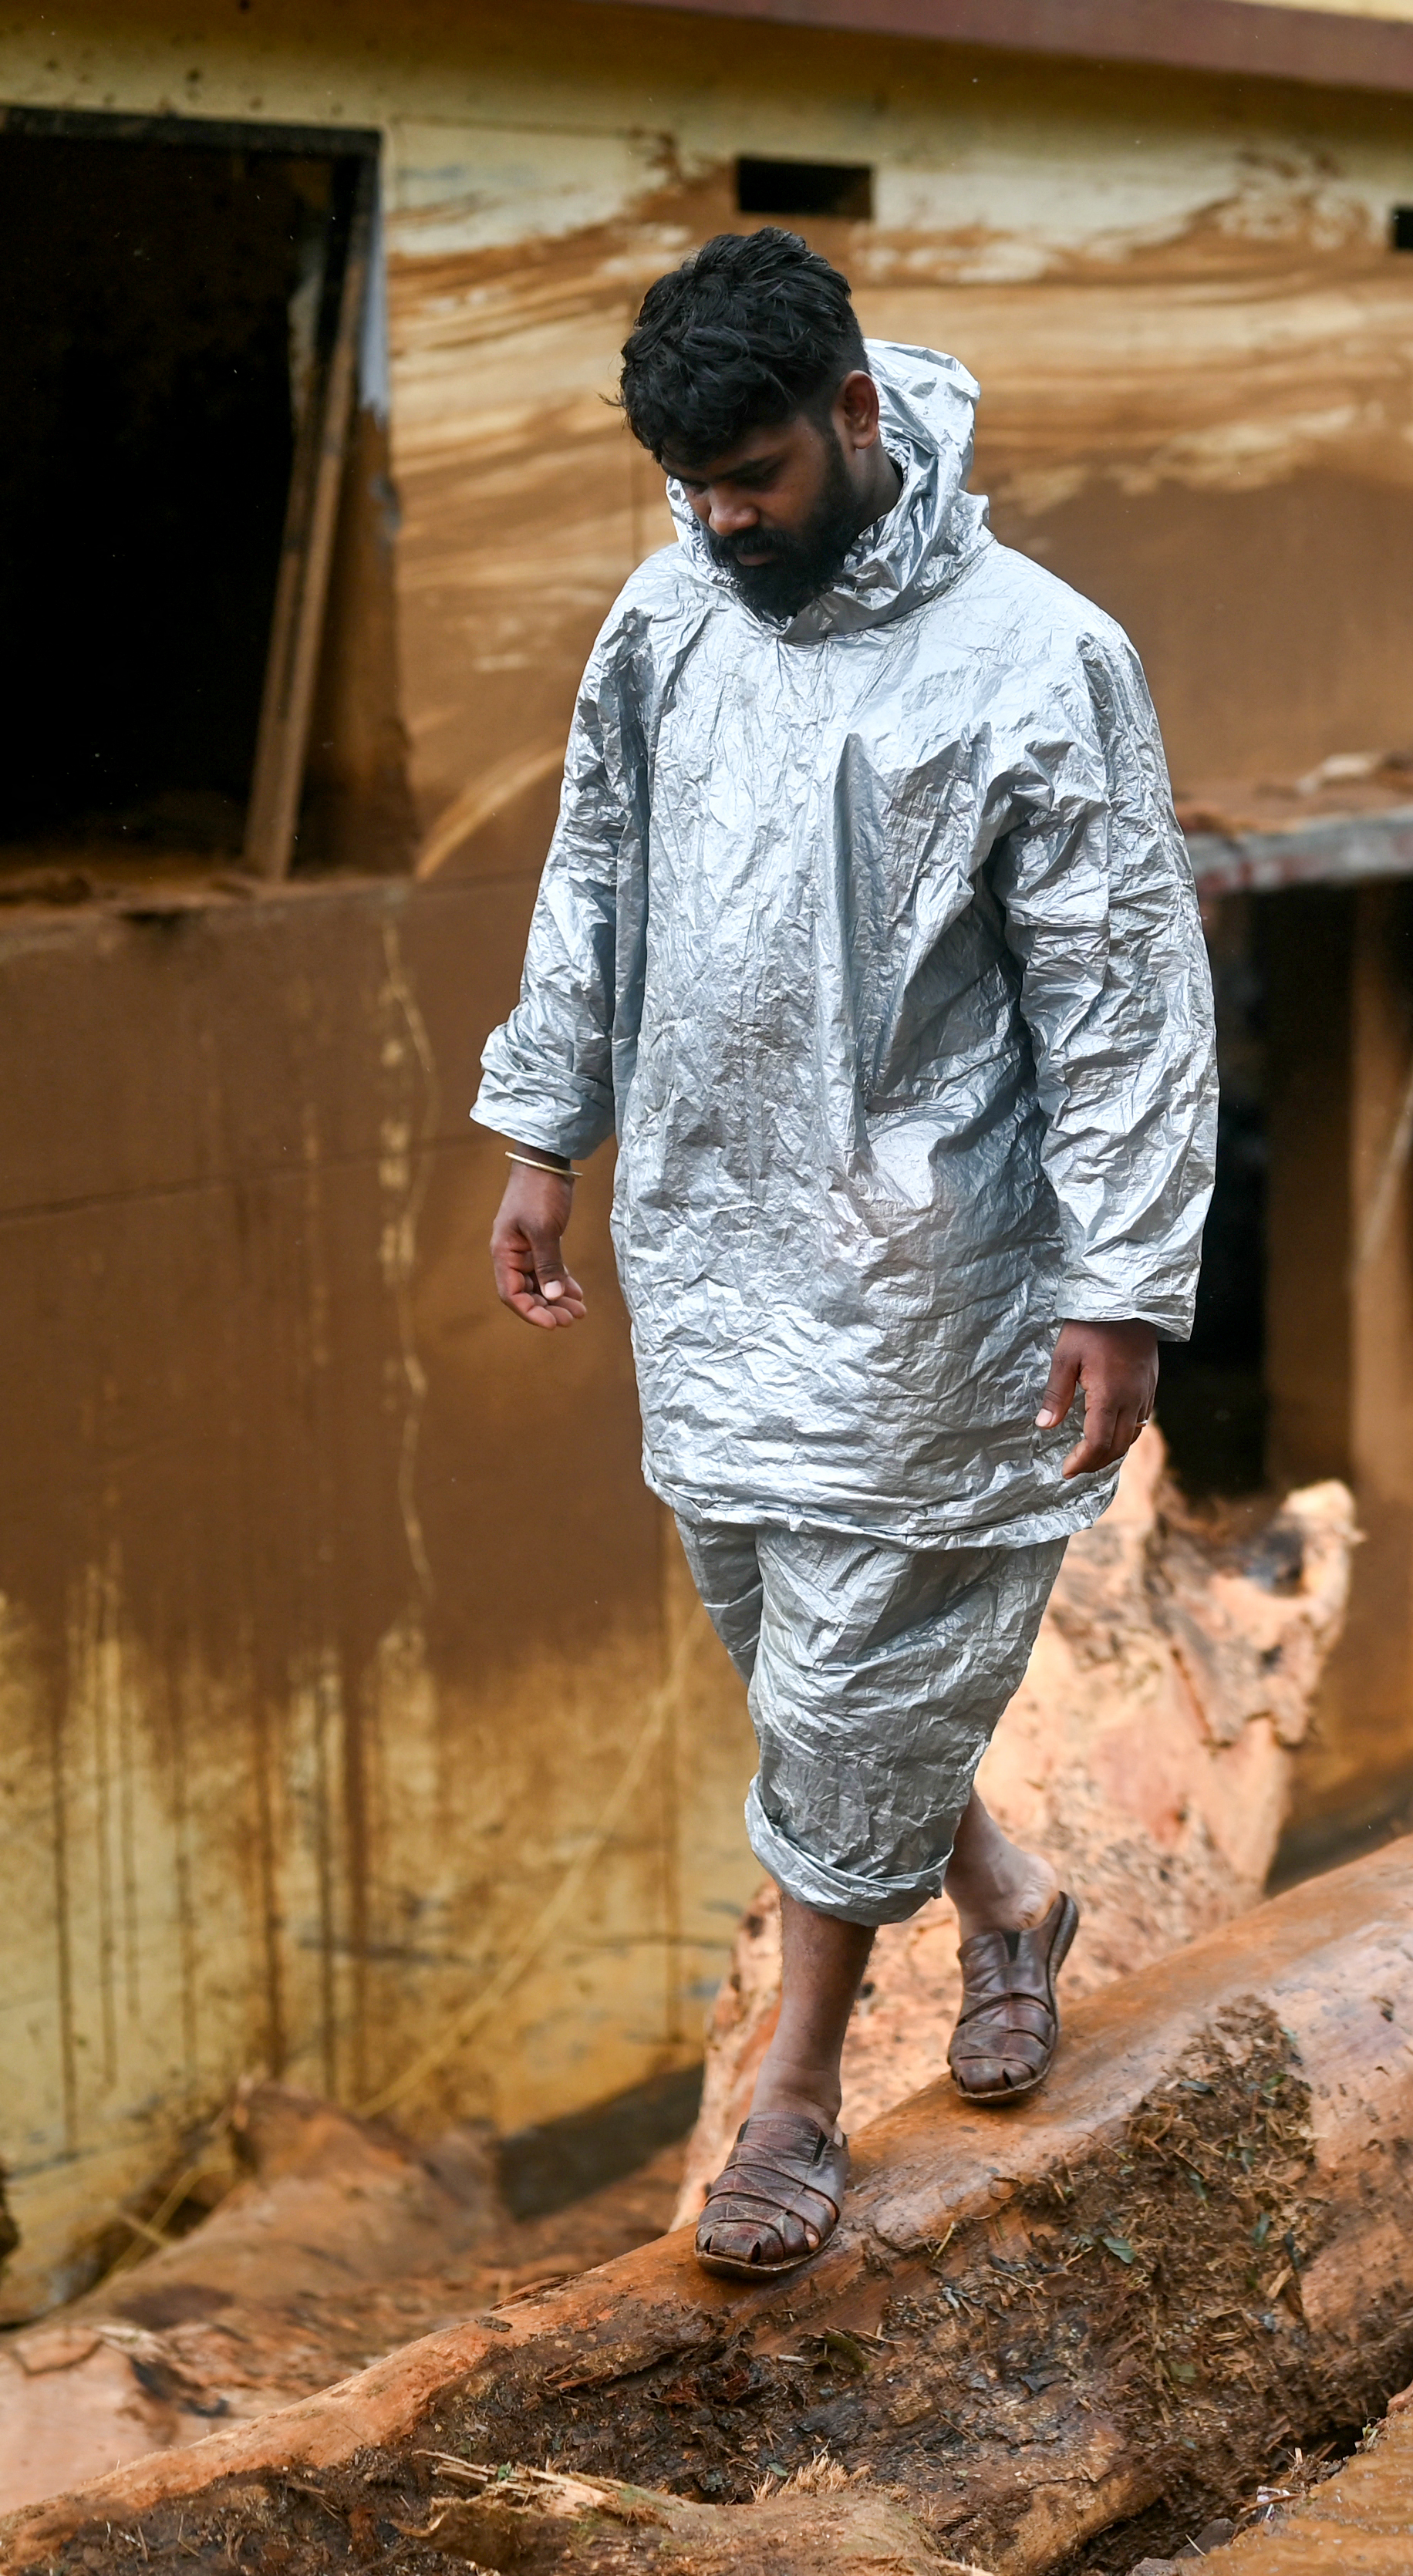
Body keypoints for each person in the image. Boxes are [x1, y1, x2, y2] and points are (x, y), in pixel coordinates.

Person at [473, 229, 1213, 2278]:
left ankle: (796, 2092)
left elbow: (1123, 1001)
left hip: (935, 1270)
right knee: (795, 1649)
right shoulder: (671, 607)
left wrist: (1121, 1279)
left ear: (855, 417)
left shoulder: (1039, 656)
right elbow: (596, 859)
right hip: (709, 1235)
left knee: (862, 1664)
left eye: (756, 484)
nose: (722, 527)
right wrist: (547, 1123)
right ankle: (1000, 1900)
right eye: (692, 493)